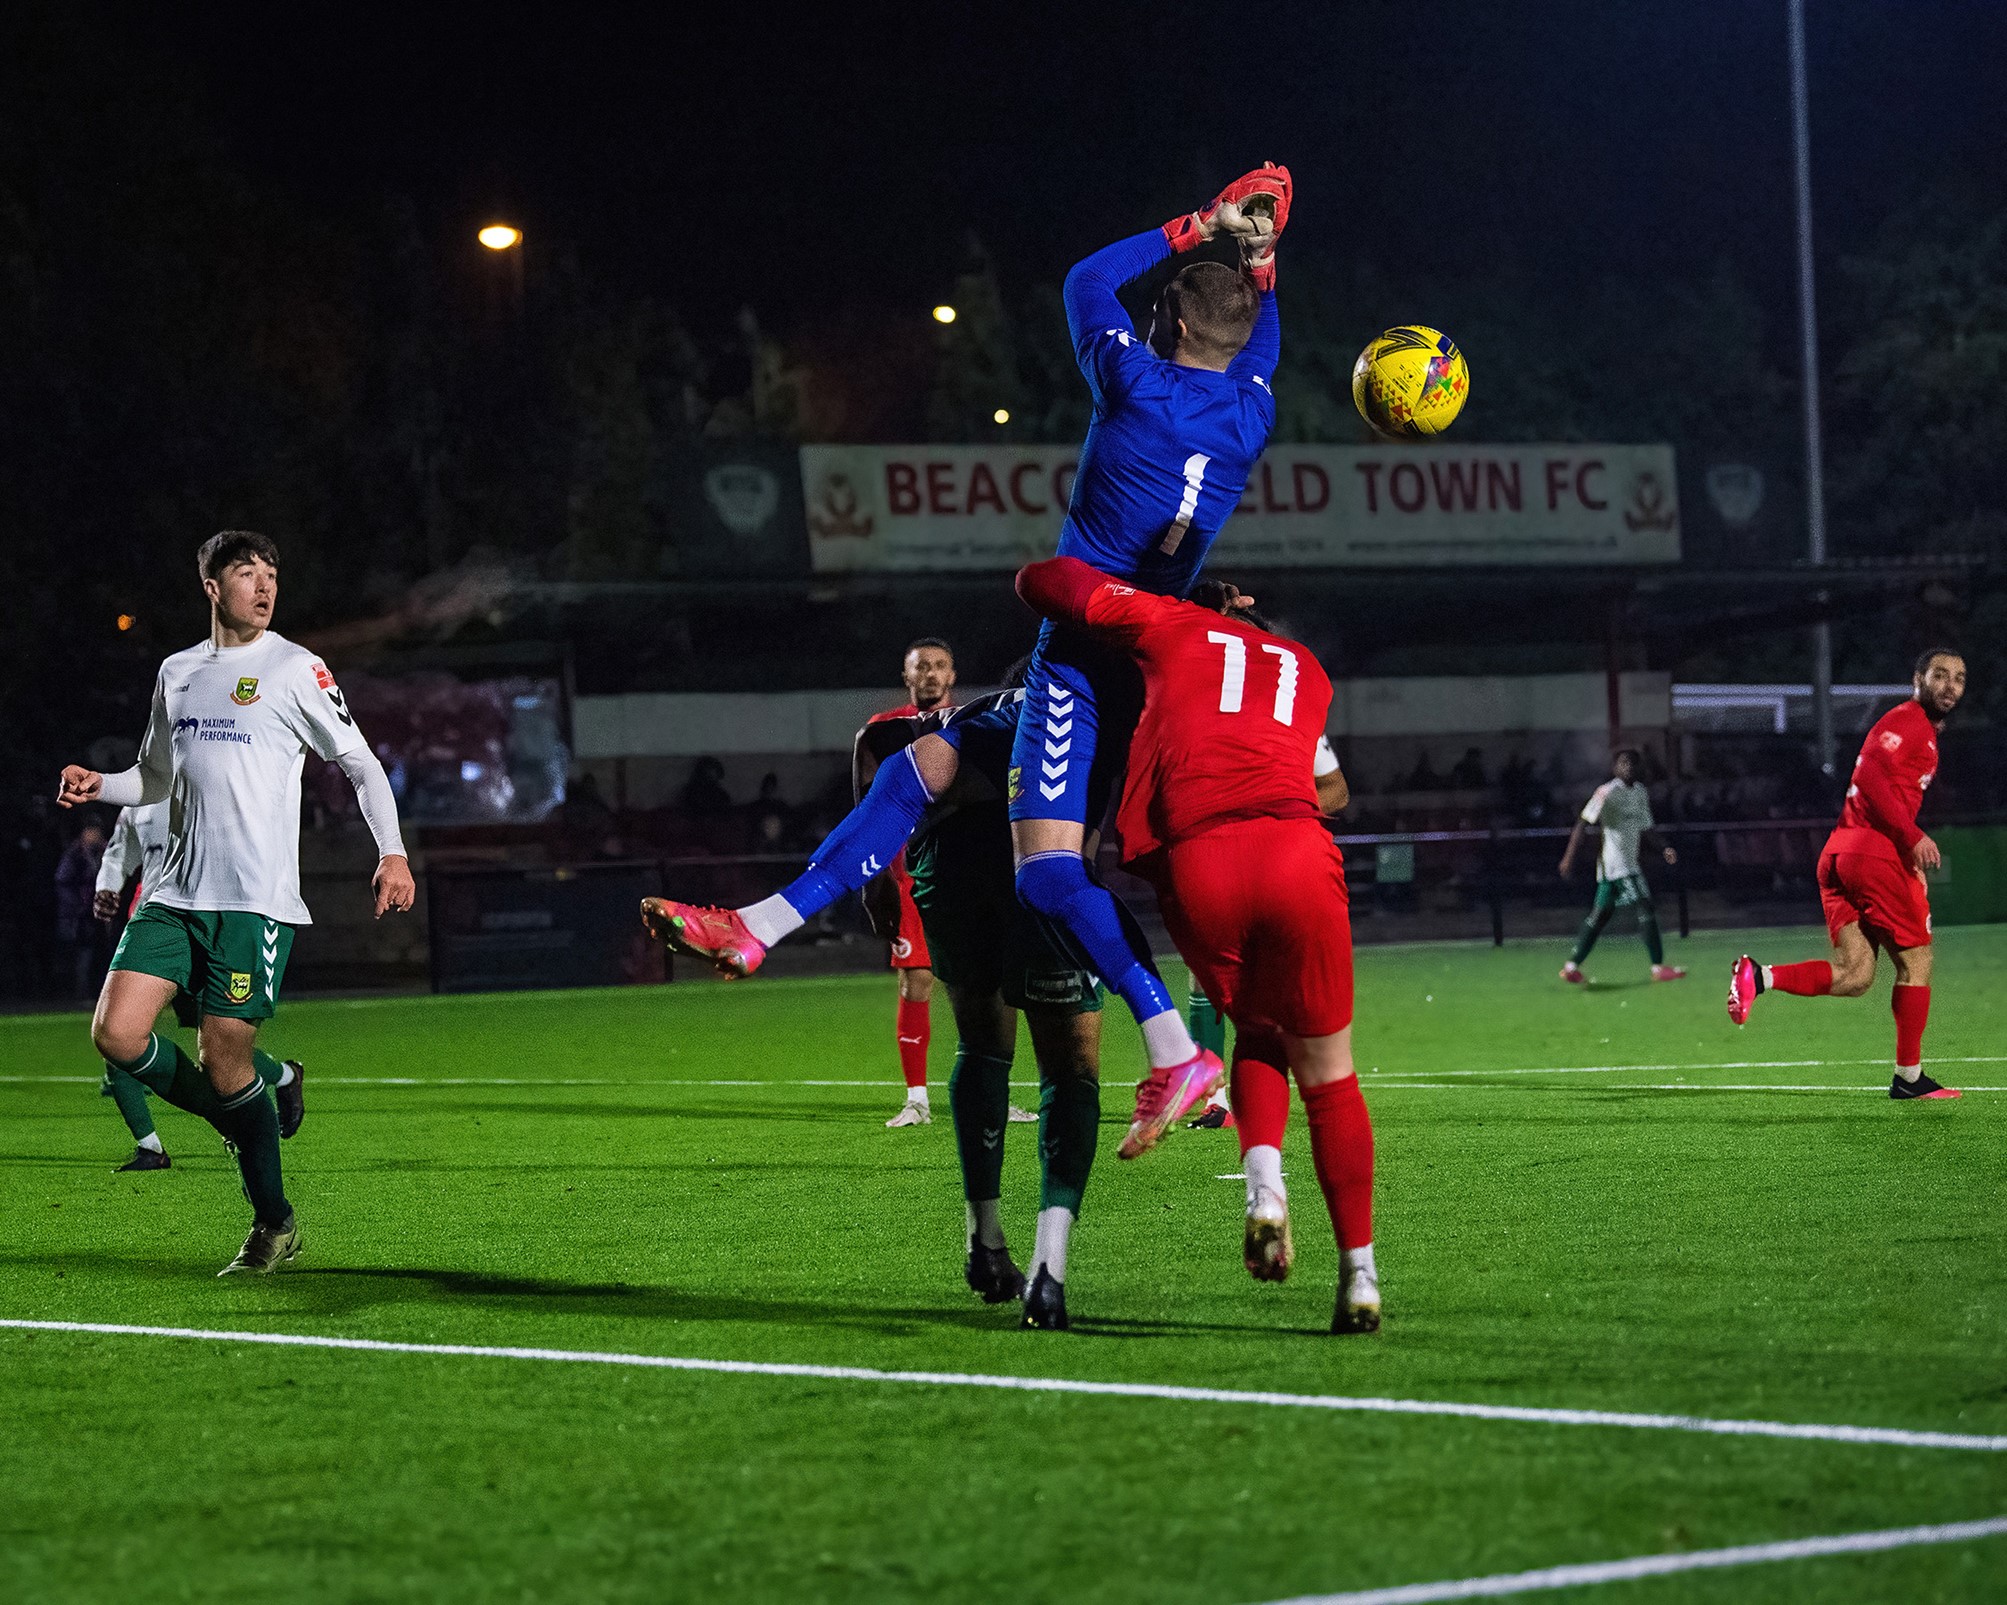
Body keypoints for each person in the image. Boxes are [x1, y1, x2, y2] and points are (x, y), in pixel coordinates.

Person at [642, 165, 1290, 1143]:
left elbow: (1085, 280)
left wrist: (1198, 225)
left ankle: (1174, 1049)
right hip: (1132, 658)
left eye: (1162, 311)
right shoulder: (1251, 410)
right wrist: (1261, 261)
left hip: (1086, 659)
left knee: (1049, 874)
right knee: (924, 764)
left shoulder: (1134, 384)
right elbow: (1257, 335)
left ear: (1174, 323)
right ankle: (760, 925)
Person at [1017, 554, 1381, 1334]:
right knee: (1330, 1076)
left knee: (1252, 1028)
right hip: (1296, 849)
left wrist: (1157, 594)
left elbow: (1040, 580)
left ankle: (1264, 1191)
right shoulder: (1305, 669)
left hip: (1203, 857)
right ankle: (1358, 1277)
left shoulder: (1173, 626)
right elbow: (1328, 784)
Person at [57, 530, 414, 1274]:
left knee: (225, 1064)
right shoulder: (178, 671)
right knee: (117, 1035)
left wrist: (392, 851)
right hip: (172, 894)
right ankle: (245, 1116)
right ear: (212, 587)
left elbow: (360, 764)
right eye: (247, 573)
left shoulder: (296, 668)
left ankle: (273, 1222)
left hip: (252, 904)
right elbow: (153, 777)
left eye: (271, 574)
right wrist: (102, 784)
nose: (265, 586)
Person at [858, 680, 1104, 1330]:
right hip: (1034, 857)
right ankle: (1048, 1271)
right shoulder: (1092, 702)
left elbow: (875, 742)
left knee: (983, 1044)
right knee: (1070, 1066)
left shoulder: (975, 711)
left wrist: (876, 873)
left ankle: (985, 1242)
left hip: (949, 860)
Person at [1728, 650, 1967, 1099]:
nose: (1950, 685)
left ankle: (1759, 977)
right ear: (1917, 679)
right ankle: (1909, 1078)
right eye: (1940, 675)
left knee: (1855, 975)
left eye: (1958, 678)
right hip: (1874, 854)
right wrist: (1911, 837)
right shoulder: (1909, 720)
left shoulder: (1918, 729)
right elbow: (1871, 776)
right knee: (1917, 962)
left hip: (1841, 853)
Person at [92, 799, 305, 1173]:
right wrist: (107, 887)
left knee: (219, 1050)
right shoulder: (139, 801)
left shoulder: (214, 789)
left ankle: (284, 1078)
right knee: (118, 1040)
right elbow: (119, 853)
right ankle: (150, 1146)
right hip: (157, 928)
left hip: (209, 931)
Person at [1189, 735, 1348, 1129]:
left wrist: (1276, 819)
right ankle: (1214, 1100)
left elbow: (1337, 790)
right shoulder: (1204, 720)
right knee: (1205, 973)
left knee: (1282, 985)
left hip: (1285, 862)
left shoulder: (1296, 716)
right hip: (1219, 854)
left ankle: (1314, 1091)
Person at [855, 637, 957, 1128]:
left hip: (965, 871)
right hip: (908, 874)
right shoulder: (882, 731)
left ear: (952, 675)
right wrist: (873, 876)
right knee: (917, 981)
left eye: (939, 666)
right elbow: (867, 809)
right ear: (907, 676)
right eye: (922, 667)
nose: (930, 674)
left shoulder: (970, 724)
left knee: (984, 983)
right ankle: (917, 1099)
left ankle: (991, 1091)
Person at [1557, 749, 1686, 984]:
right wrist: (1568, 858)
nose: (1628, 767)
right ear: (1614, 767)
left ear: (1640, 768)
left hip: (1624, 865)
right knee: (1646, 906)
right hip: (1617, 865)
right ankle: (1658, 968)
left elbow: (1646, 827)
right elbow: (1582, 822)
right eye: (1623, 763)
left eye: (1633, 763)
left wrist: (1664, 847)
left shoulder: (1640, 792)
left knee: (1600, 916)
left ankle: (1571, 967)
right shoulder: (1606, 792)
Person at [54, 818, 110, 999]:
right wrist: (78, 905)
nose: (95, 835)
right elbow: (63, 881)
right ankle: (77, 992)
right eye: (92, 831)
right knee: (79, 954)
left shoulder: (105, 852)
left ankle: (94, 992)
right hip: (76, 916)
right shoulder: (75, 854)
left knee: (96, 954)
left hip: (97, 914)